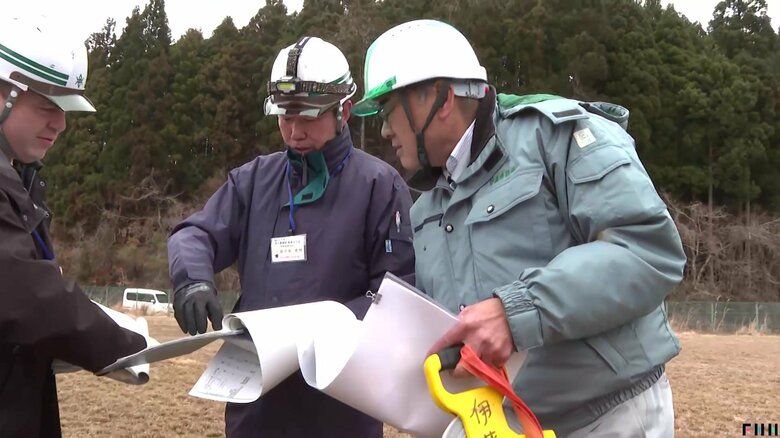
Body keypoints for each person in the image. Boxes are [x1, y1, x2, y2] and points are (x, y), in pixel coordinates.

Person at [353, 19, 687, 438]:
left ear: (440, 100)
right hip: (499, 424)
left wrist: (515, 312)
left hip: (607, 417)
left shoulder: (557, 135)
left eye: (389, 111)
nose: (384, 130)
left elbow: (648, 251)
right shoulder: (425, 211)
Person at [167, 36, 415, 437]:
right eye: (285, 117)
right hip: (257, 410)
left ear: (344, 111)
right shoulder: (253, 181)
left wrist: (322, 330)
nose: (295, 131)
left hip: (340, 410)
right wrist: (191, 279)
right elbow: (196, 233)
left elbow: (395, 294)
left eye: (308, 117)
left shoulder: (379, 186)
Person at [0, 16, 150, 437]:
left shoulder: (20, 176)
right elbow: (26, 295)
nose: (61, 125)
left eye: (65, 110)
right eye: (48, 106)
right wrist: (122, 343)